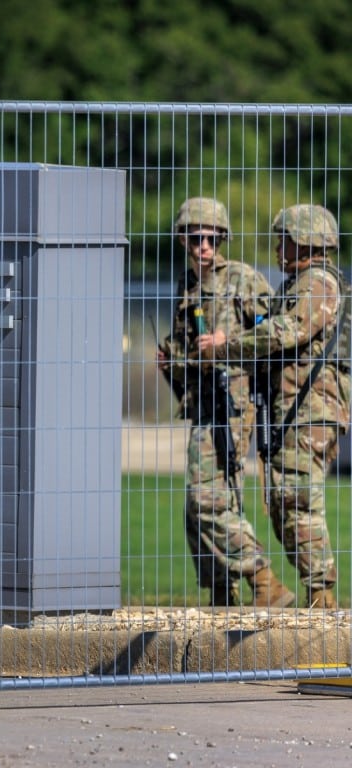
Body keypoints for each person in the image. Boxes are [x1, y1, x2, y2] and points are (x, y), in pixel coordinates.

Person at [197, 204, 349, 609]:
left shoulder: (318, 285)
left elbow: (285, 333)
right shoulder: (297, 285)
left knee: (298, 500)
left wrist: (226, 345)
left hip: (310, 411)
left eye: (284, 240)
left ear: (305, 241)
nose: (278, 248)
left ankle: (322, 601)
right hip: (293, 411)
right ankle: (315, 596)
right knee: (284, 502)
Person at [158, 197, 294, 608]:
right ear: (183, 239)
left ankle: (264, 580)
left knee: (206, 500)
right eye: (196, 237)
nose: (204, 246)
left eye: (212, 238)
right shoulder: (186, 287)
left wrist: (229, 348)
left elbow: (273, 334)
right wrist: (172, 360)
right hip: (202, 402)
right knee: (205, 504)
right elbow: (191, 353)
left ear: (222, 240)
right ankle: (223, 594)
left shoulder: (243, 280)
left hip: (233, 403)